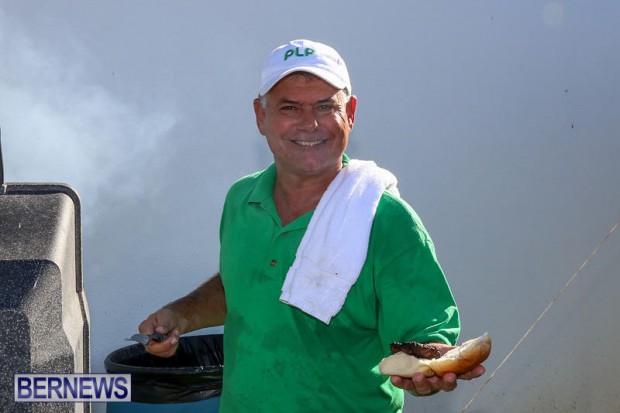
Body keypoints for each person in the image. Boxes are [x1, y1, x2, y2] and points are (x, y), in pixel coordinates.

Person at [139, 39, 485, 412]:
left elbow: (425, 335)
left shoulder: (386, 220)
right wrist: (181, 315)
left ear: (350, 113)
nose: (310, 124)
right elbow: (245, 288)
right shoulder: (242, 199)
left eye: (325, 106)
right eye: (290, 107)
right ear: (260, 116)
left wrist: (431, 366)